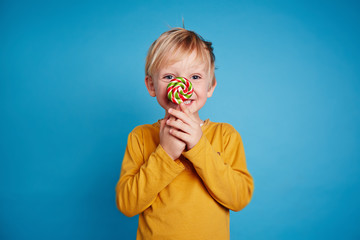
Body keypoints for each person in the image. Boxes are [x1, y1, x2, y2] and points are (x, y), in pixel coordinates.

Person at [115, 27, 254, 240]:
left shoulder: (225, 136)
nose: (184, 85)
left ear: (210, 86)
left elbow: (239, 198)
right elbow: (127, 204)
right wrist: (165, 154)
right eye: (169, 76)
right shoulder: (141, 137)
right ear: (151, 85)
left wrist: (199, 147)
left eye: (195, 76)